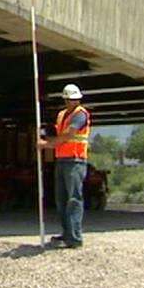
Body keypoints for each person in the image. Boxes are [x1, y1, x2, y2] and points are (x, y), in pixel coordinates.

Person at [38, 83, 91, 248]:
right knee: (61, 199)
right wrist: (43, 132)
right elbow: (57, 132)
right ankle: (67, 233)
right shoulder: (62, 115)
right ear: (65, 100)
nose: (73, 102)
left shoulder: (80, 115)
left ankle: (75, 238)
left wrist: (47, 145)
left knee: (73, 199)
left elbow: (69, 134)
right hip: (61, 159)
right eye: (70, 99)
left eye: (75, 99)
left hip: (75, 160)